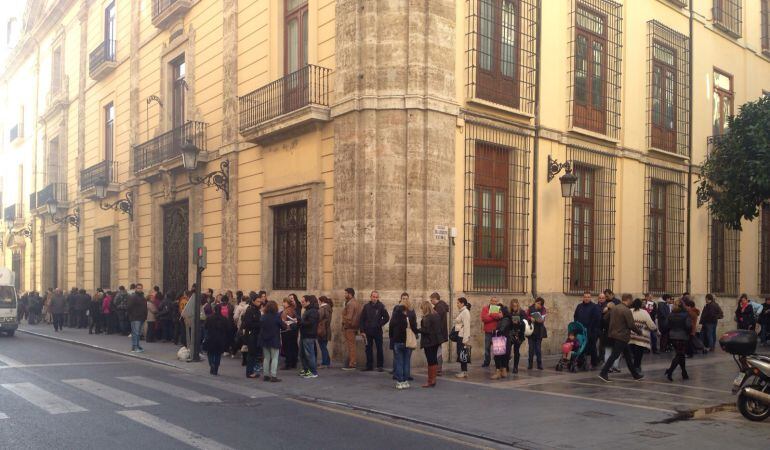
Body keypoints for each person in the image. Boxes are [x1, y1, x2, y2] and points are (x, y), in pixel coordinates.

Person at [598, 294, 644, 383]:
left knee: (628, 356)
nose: (631, 302)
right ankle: (603, 373)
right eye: (631, 300)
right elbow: (631, 324)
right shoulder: (626, 310)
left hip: (614, 334)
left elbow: (605, 318)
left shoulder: (615, 308)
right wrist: (639, 332)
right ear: (628, 300)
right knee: (614, 355)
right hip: (622, 336)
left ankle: (635, 375)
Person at [390, 294, 418, 389]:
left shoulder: (395, 315)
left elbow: (391, 327)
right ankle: (405, 381)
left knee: (399, 362)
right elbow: (414, 327)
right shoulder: (410, 315)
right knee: (406, 362)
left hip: (398, 341)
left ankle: (399, 381)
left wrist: (392, 337)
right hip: (408, 341)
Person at [359, 290, 390, 372]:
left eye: (376, 297)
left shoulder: (381, 306)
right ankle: (369, 365)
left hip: (377, 331)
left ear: (378, 298)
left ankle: (380, 366)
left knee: (379, 348)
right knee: (368, 348)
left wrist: (380, 324)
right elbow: (362, 319)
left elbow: (387, 317)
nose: (375, 298)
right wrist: (362, 330)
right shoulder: (366, 306)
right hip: (367, 332)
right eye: (373, 297)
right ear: (371, 297)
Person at [258, 300, 286, 382]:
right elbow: (283, 326)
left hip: (264, 339)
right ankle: (273, 375)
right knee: (274, 358)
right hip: (274, 339)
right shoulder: (277, 316)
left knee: (266, 358)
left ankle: (266, 375)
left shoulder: (263, 316)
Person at [665, 299, 692, 381]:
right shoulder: (686, 315)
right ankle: (670, 371)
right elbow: (688, 326)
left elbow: (666, 325)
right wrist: (688, 333)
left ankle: (684, 373)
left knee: (681, 354)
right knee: (679, 355)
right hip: (682, 336)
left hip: (673, 336)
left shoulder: (670, 315)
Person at [574, 291, 602, 368]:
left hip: (591, 331)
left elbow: (597, 319)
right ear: (583, 297)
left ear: (590, 298)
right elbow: (575, 316)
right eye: (585, 297)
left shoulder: (594, 307)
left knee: (592, 347)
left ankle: (594, 363)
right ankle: (580, 362)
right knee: (580, 346)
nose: (586, 298)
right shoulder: (579, 306)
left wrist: (590, 328)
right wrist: (577, 326)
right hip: (580, 330)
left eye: (588, 297)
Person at [629, 298, 657, 374]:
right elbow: (650, 324)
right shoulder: (644, 312)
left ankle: (634, 366)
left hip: (631, 336)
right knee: (639, 353)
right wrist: (655, 329)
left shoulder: (630, 311)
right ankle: (637, 366)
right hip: (641, 337)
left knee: (634, 353)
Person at [418, 300, 441, 388]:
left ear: (425, 308)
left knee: (430, 361)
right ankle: (433, 380)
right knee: (434, 360)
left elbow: (426, 330)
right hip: (436, 341)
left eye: (422, 308)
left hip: (428, 342)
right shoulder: (436, 315)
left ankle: (430, 381)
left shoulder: (427, 317)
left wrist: (417, 330)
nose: (421, 310)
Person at [203, 304, 229, 375]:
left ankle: (211, 364)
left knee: (210, 353)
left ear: (214, 310)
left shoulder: (209, 318)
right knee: (218, 354)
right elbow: (227, 329)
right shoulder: (224, 319)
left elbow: (205, 327)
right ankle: (216, 368)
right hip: (220, 339)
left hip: (211, 338)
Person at [299, 295, 320, 378]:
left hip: (309, 335)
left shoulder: (313, 311)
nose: (302, 303)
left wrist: (300, 322)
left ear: (308, 302)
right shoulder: (308, 310)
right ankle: (306, 370)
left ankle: (313, 372)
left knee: (309, 355)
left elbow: (311, 323)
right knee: (302, 354)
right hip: (304, 334)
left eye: (303, 301)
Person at [341, 288, 362, 371]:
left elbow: (349, 317)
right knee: (352, 346)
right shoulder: (356, 303)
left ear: (350, 294)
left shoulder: (350, 304)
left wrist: (343, 317)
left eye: (346, 293)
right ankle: (351, 362)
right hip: (355, 327)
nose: (345, 295)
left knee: (351, 346)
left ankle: (352, 364)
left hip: (349, 327)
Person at [481, 297, 505, 368]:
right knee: (487, 348)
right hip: (488, 331)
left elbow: (500, 317)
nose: (494, 302)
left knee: (497, 348)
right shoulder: (485, 308)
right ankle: (487, 361)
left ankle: (497, 362)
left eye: (495, 301)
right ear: (490, 301)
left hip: (496, 331)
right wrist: (495, 316)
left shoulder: (499, 309)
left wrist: (490, 314)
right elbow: (484, 319)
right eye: (493, 301)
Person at [242, 293, 262, 378]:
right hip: (251, 335)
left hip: (256, 334)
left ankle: (251, 371)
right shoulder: (250, 310)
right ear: (253, 301)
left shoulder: (257, 310)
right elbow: (248, 324)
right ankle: (249, 372)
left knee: (254, 354)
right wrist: (259, 324)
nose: (259, 303)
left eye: (260, 301)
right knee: (251, 354)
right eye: (258, 301)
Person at [429, 292, 449, 375]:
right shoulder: (441, 306)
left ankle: (438, 369)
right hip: (440, 333)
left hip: (438, 333)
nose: (431, 301)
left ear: (434, 298)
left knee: (438, 351)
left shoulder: (439, 307)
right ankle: (438, 368)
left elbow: (436, 321)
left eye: (431, 299)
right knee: (438, 350)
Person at [491, 302, 511, 380]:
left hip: (501, 340)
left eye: (499, 312)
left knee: (498, 356)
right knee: (504, 356)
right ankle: (504, 371)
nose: (498, 313)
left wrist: (495, 331)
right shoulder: (504, 319)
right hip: (504, 339)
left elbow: (501, 329)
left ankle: (498, 372)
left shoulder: (505, 319)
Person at [453, 297, 472, 378]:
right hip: (460, 335)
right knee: (461, 354)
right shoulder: (462, 312)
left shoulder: (465, 312)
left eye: (458, 303)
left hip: (462, 337)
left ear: (462, 303)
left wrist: (465, 339)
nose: (457, 304)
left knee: (462, 354)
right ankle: (464, 371)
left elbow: (467, 326)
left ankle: (464, 372)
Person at [527, 297, 547, 370]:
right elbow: (526, 316)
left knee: (538, 348)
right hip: (531, 330)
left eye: (540, 304)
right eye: (538, 303)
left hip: (539, 330)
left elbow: (543, 319)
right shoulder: (530, 308)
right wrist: (530, 318)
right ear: (535, 302)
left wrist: (540, 320)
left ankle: (539, 364)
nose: (538, 305)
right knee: (531, 348)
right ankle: (530, 364)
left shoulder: (543, 309)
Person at [508, 299, 527, 374]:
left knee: (516, 350)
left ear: (518, 305)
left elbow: (525, 321)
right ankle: (506, 365)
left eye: (515, 306)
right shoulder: (509, 312)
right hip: (510, 333)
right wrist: (511, 321)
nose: (514, 307)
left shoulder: (522, 312)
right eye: (513, 306)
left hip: (519, 334)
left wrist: (519, 322)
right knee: (508, 349)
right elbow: (507, 321)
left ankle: (515, 367)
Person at [127, 284, 148, 353]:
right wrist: (132, 315)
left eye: (141, 288)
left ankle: (137, 346)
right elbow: (129, 307)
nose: (140, 289)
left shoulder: (142, 297)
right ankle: (135, 347)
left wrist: (145, 316)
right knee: (135, 333)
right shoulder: (133, 297)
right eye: (138, 288)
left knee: (138, 333)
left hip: (141, 318)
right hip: (135, 317)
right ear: (136, 289)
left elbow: (145, 307)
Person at [281, 297, 300, 370]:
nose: (283, 304)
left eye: (284, 302)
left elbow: (283, 320)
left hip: (287, 331)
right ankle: (293, 363)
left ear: (287, 303)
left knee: (287, 347)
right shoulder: (293, 309)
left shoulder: (286, 311)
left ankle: (288, 363)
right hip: (293, 331)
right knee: (293, 346)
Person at [317, 296, 333, 369]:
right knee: (324, 346)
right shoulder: (328, 308)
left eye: (319, 301)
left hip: (322, 330)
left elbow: (318, 318)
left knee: (323, 347)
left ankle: (324, 363)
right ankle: (327, 362)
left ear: (322, 301)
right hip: (326, 330)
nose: (318, 302)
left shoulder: (322, 308)